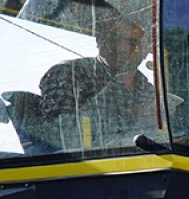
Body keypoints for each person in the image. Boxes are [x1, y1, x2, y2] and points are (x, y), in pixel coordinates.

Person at [37, 8, 160, 150]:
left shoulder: (148, 90)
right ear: (99, 40)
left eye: (133, 43)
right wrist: (137, 117)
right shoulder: (70, 74)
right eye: (112, 39)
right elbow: (62, 139)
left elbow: (167, 137)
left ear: (146, 50)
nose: (119, 48)